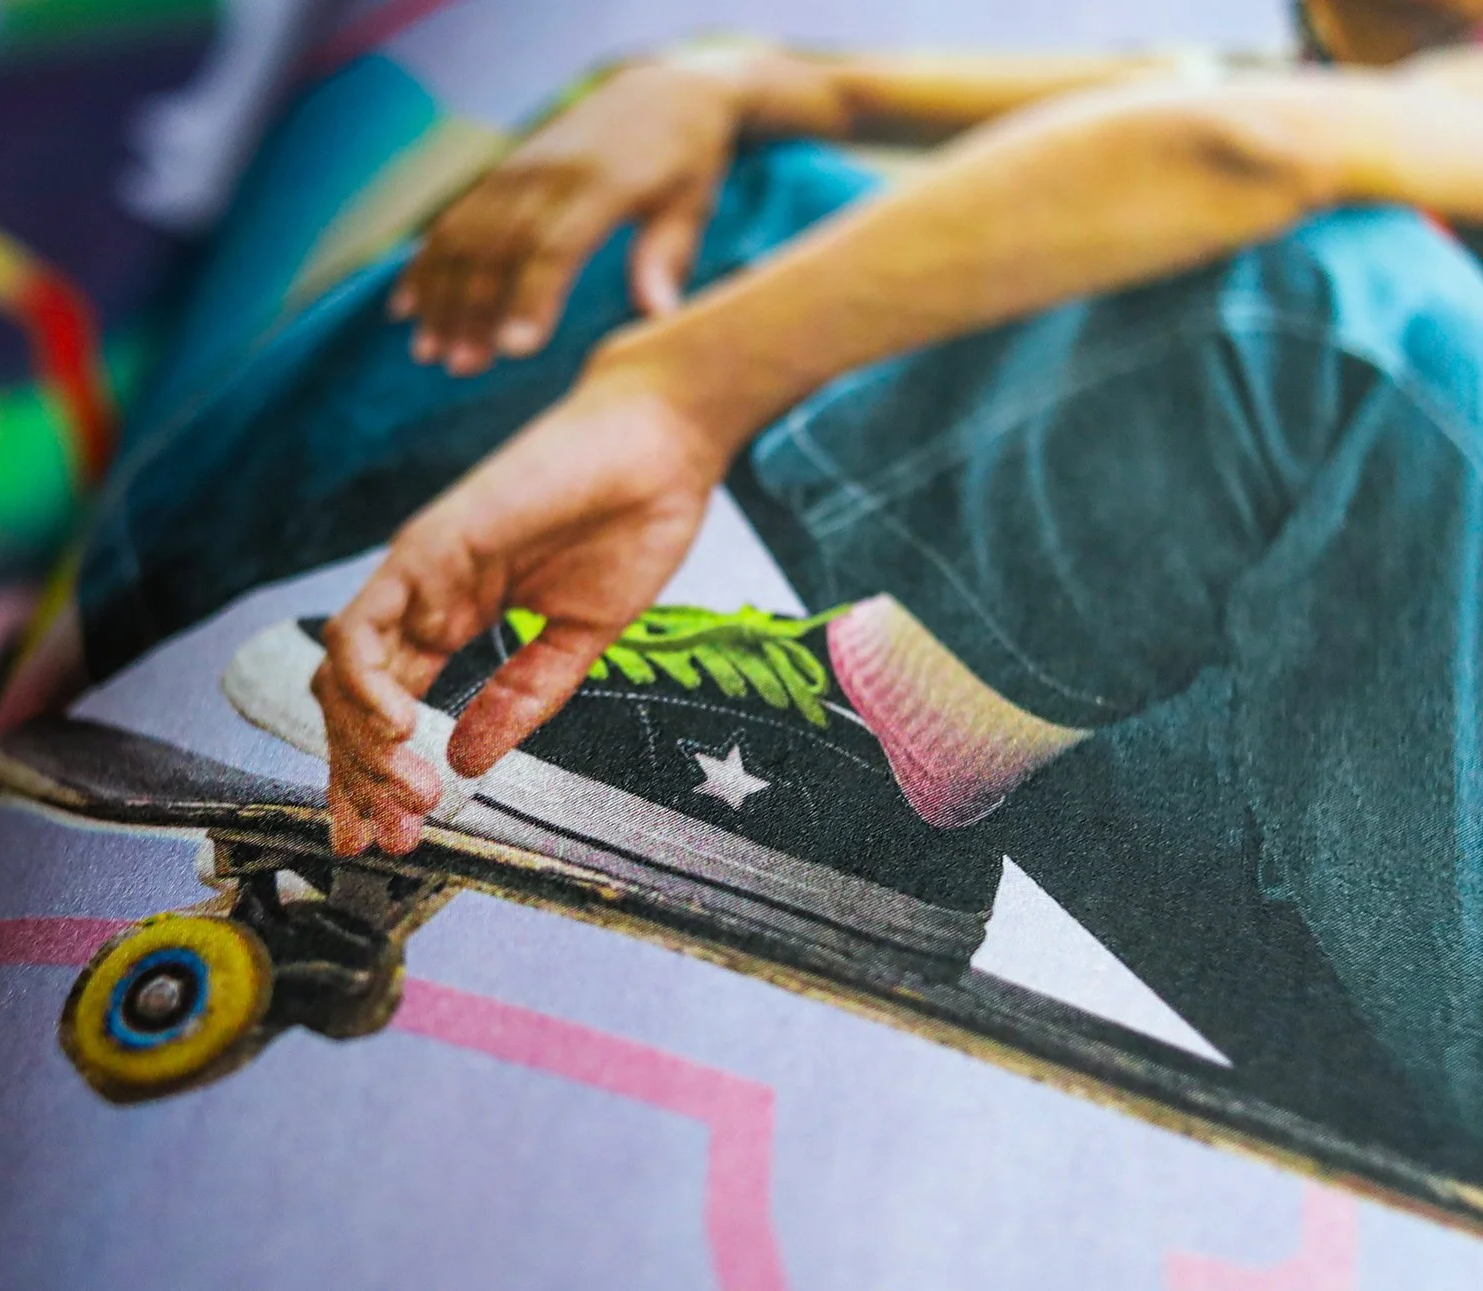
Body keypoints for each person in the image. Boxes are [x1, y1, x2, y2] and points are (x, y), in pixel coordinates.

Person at [80, 0, 1483, 1156]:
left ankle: (894, 733)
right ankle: (78, 639)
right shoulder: (1364, 78)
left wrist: (679, 397)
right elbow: (1152, 109)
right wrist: (725, 86)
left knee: (1326, 301)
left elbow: (1238, 151)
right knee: (726, 209)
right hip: (1340, 831)